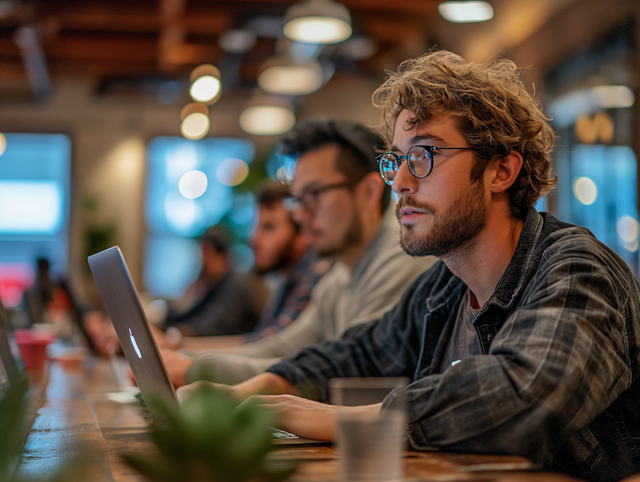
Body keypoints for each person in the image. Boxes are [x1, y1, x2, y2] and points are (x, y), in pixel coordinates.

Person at [178, 51, 640, 482]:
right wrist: (260, 389)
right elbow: (357, 353)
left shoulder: (577, 270)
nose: (399, 181)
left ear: (501, 171)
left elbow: (526, 395)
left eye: (423, 155)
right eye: (396, 160)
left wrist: (336, 418)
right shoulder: (446, 285)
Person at [161, 120, 436, 386]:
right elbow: (281, 349)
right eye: (297, 200)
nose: (301, 216)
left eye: (313, 195)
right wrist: (182, 358)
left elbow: (350, 377)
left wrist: (194, 367)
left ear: (368, 192)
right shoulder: (340, 274)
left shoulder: (402, 258)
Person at [154, 181, 331, 351]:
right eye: (256, 226)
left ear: (302, 233)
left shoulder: (313, 278)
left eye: (268, 227)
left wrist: (178, 347)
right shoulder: (285, 282)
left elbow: (269, 349)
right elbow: (260, 342)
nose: (254, 238)